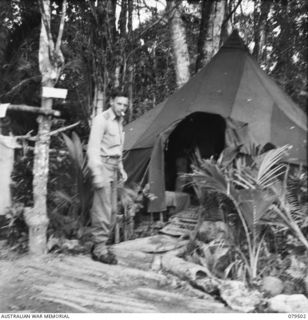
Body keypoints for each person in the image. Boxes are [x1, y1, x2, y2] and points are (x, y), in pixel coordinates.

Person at [87, 89, 128, 264]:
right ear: (111, 101)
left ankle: (99, 244)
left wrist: (121, 168)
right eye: (119, 103)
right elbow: (93, 149)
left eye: (125, 104)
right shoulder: (101, 120)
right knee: (102, 210)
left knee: (111, 210)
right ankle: (99, 249)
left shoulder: (119, 121)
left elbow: (117, 148)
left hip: (113, 168)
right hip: (102, 166)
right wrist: (96, 173)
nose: (122, 107)